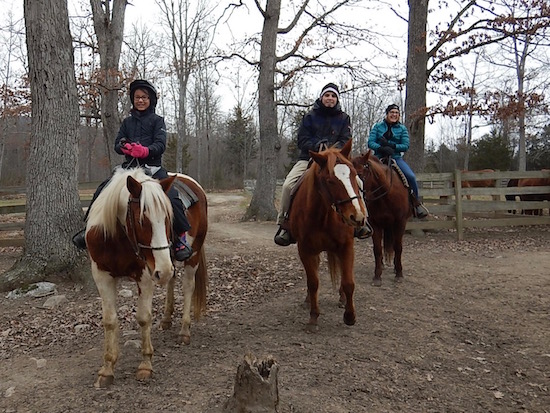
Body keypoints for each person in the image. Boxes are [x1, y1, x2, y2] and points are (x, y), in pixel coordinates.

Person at [72, 79, 193, 261]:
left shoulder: (158, 121)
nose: (140, 100)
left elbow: (160, 144)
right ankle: (89, 227)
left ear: (151, 99)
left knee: (172, 196)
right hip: (129, 168)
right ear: (133, 99)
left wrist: (145, 150)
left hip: (153, 167)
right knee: (102, 189)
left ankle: (181, 239)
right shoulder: (127, 122)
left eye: (144, 97)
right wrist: (124, 147)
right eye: (137, 97)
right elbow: (117, 143)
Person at [274, 82, 372, 246]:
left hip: (337, 162)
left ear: (337, 99)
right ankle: (285, 224)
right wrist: (318, 146)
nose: (330, 98)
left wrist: (333, 150)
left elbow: (346, 139)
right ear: (321, 97)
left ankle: (362, 221)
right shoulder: (309, 116)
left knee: (359, 183)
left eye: (333, 96)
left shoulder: (343, 118)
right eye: (327, 95)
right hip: (309, 158)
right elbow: (302, 140)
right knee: (288, 186)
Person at [368, 104, 428, 219]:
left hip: (395, 157)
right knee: (364, 176)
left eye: (396, 113)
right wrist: (381, 148)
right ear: (387, 114)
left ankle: (416, 204)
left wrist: (392, 146)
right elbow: (370, 142)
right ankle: (362, 206)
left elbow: (405, 146)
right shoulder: (377, 126)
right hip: (378, 157)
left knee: (410, 176)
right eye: (392, 112)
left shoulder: (402, 129)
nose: (394, 115)